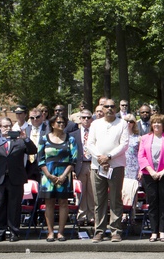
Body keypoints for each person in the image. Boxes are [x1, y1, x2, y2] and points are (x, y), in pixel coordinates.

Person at [0, 117, 37, 242]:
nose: (7, 129)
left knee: (14, 206)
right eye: (4, 126)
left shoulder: (19, 141)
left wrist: (26, 138)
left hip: (16, 178)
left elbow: (33, 150)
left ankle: (14, 232)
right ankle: (0, 232)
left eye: (9, 126)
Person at [85, 98, 129, 243]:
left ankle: (116, 230)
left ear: (116, 108)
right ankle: (99, 231)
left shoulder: (122, 123)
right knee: (99, 200)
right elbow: (89, 143)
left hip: (115, 165)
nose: (109, 109)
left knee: (116, 198)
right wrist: (100, 157)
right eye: (106, 106)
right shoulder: (95, 124)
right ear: (101, 109)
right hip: (97, 166)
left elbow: (124, 144)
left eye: (112, 106)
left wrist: (109, 157)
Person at [138, 113, 164, 242]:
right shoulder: (145, 138)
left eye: (159, 123)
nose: (156, 125)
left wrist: (163, 171)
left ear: (163, 125)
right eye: (154, 123)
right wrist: (151, 171)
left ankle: (162, 231)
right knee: (153, 202)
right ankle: (153, 231)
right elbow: (141, 156)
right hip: (148, 175)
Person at [38, 114, 78, 241]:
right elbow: (40, 160)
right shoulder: (44, 139)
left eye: (63, 122)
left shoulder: (70, 139)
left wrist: (63, 175)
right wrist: (49, 175)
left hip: (64, 175)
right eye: (58, 122)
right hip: (47, 176)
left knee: (63, 203)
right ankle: (50, 232)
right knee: (49, 203)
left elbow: (73, 160)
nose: (61, 124)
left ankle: (61, 232)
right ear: (52, 124)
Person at [123, 113, 140, 180]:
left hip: (134, 166)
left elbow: (141, 154)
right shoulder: (119, 137)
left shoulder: (138, 138)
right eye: (126, 121)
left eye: (131, 121)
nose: (128, 123)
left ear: (134, 123)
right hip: (122, 165)